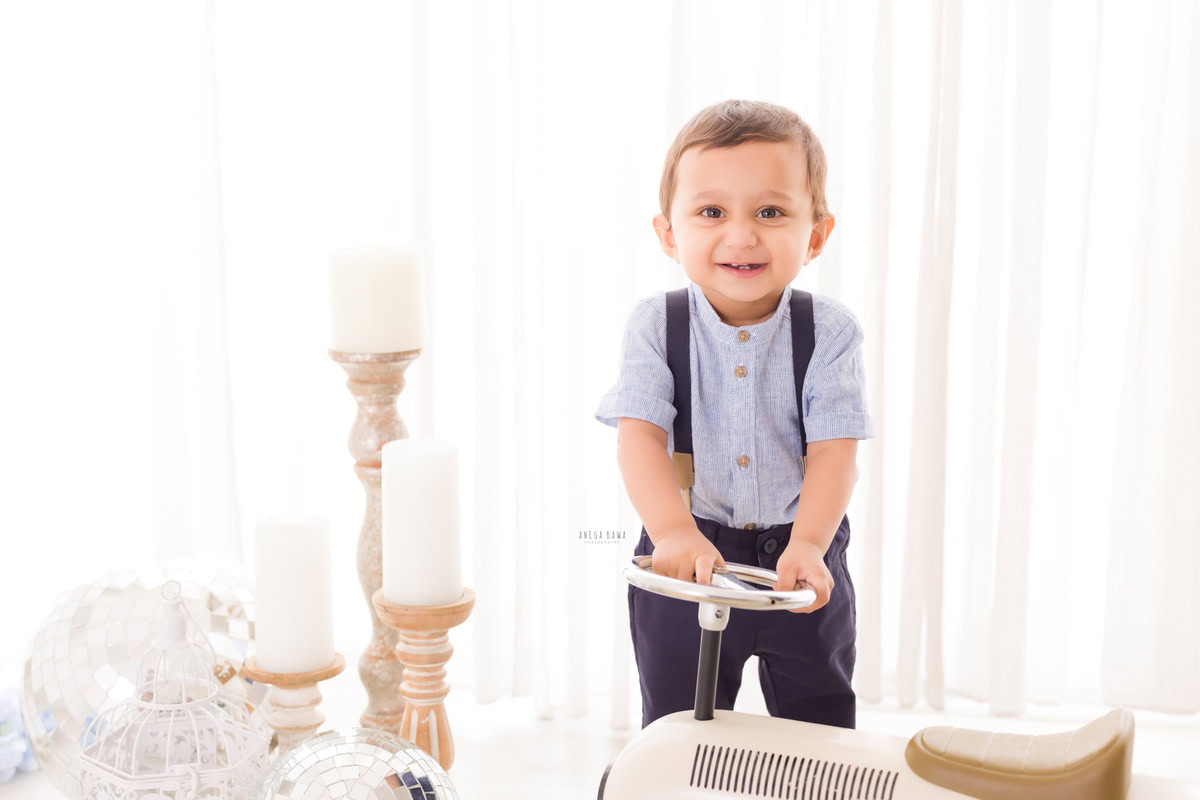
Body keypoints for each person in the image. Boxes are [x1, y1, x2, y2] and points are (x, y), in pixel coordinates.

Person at [594, 98, 875, 730]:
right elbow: (639, 437)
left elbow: (836, 449)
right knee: (677, 723)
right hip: (689, 548)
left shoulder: (829, 332)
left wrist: (809, 544)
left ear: (818, 233)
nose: (741, 235)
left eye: (771, 212)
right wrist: (669, 531)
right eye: (711, 212)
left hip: (800, 553)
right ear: (670, 233)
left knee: (819, 719)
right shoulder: (655, 326)